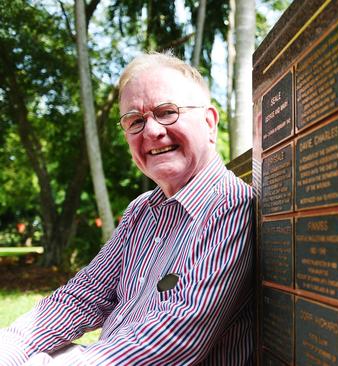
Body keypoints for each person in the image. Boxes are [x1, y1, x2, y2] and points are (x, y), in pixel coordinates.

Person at [0, 52, 254, 365]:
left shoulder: (231, 206)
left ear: (209, 122)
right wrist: (11, 347)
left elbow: (174, 341)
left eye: (167, 112)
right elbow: (82, 295)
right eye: (135, 120)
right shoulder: (141, 212)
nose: (151, 131)